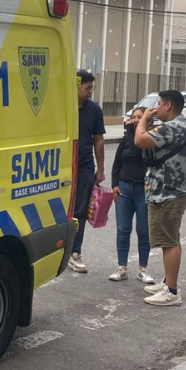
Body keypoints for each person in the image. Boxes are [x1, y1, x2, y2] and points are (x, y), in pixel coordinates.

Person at [134, 90, 186, 306]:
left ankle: (172, 291)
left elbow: (140, 140)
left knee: (168, 241)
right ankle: (168, 281)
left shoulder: (173, 127)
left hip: (168, 191)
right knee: (171, 239)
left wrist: (143, 118)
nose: (156, 107)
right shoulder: (179, 124)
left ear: (168, 106)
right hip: (170, 190)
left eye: (158, 104)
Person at [108, 107, 155, 284]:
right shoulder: (126, 139)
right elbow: (117, 163)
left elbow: (145, 157)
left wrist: (136, 131)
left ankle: (143, 269)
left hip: (144, 189)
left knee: (143, 231)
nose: (135, 120)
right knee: (123, 229)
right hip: (124, 189)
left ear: (148, 119)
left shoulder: (150, 138)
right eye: (134, 117)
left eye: (140, 117)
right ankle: (122, 268)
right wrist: (114, 185)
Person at [68, 70, 106, 273]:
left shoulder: (95, 110)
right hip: (61, 166)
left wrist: (100, 169)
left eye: (92, 87)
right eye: (87, 87)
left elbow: (98, 139)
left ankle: (75, 252)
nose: (91, 91)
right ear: (76, 86)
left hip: (84, 166)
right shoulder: (63, 107)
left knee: (80, 210)